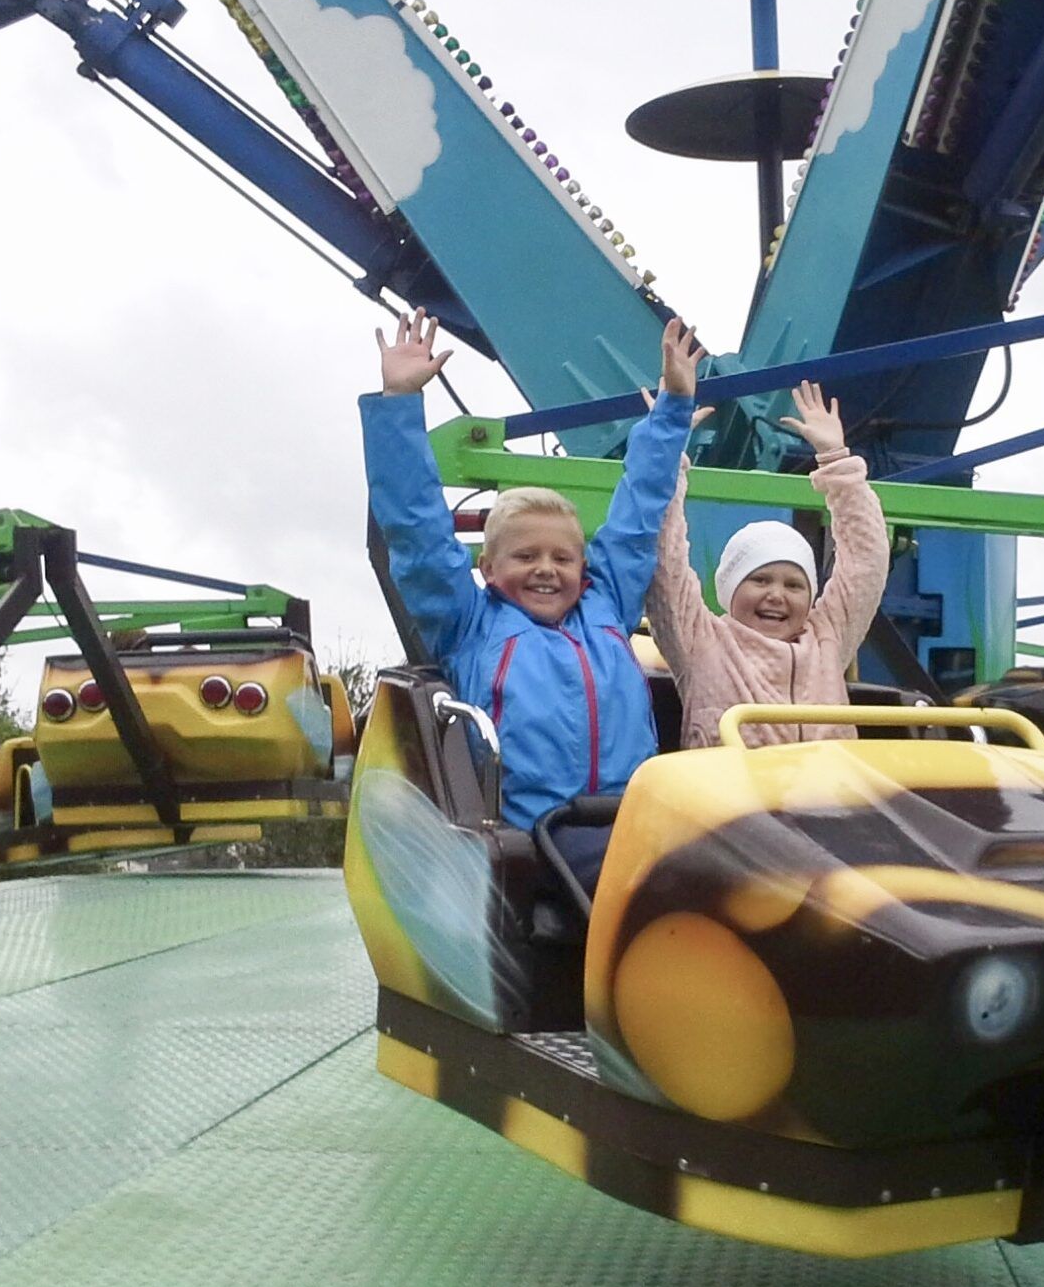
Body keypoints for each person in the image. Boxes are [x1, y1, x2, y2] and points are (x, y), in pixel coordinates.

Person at [362, 307, 703, 891]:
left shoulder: (608, 605)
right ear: (489, 568)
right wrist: (398, 404)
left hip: (638, 817)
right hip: (542, 835)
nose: (546, 570)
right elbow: (417, 530)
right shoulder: (469, 624)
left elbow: (638, 511)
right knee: (664, 887)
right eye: (526, 558)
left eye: (562, 558)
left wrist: (673, 407)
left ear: (583, 566)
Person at [646, 381, 889, 748]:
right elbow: (665, 562)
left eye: (794, 585)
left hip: (828, 801)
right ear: (730, 588)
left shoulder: (827, 640)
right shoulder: (701, 642)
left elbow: (865, 562)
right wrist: (665, 451)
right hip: (736, 802)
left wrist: (838, 463)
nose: (777, 595)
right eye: (760, 580)